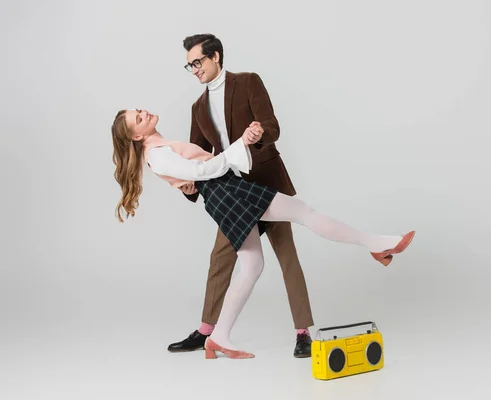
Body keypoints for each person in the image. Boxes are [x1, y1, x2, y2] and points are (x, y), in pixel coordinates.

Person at [111, 108, 416, 359]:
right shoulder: (157, 153)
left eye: (138, 110)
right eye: (138, 118)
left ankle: (219, 337)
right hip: (227, 191)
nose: (143, 112)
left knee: (252, 266)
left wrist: (203, 169)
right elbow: (202, 172)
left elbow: (193, 174)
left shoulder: (160, 148)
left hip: (222, 194)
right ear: (137, 136)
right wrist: (239, 144)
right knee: (303, 213)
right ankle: (376, 244)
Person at [170, 33, 317, 358]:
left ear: (216, 57)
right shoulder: (198, 107)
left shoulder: (248, 82)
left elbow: (272, 125)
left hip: (266, 184)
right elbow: (197, 155)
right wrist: (187, 185)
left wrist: (260, 132)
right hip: (234, 195)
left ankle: (303, 333)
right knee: (220, 259)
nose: (194, 69)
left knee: (287, 257)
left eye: (198, 61)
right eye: (189, 65)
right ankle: (207, 332)